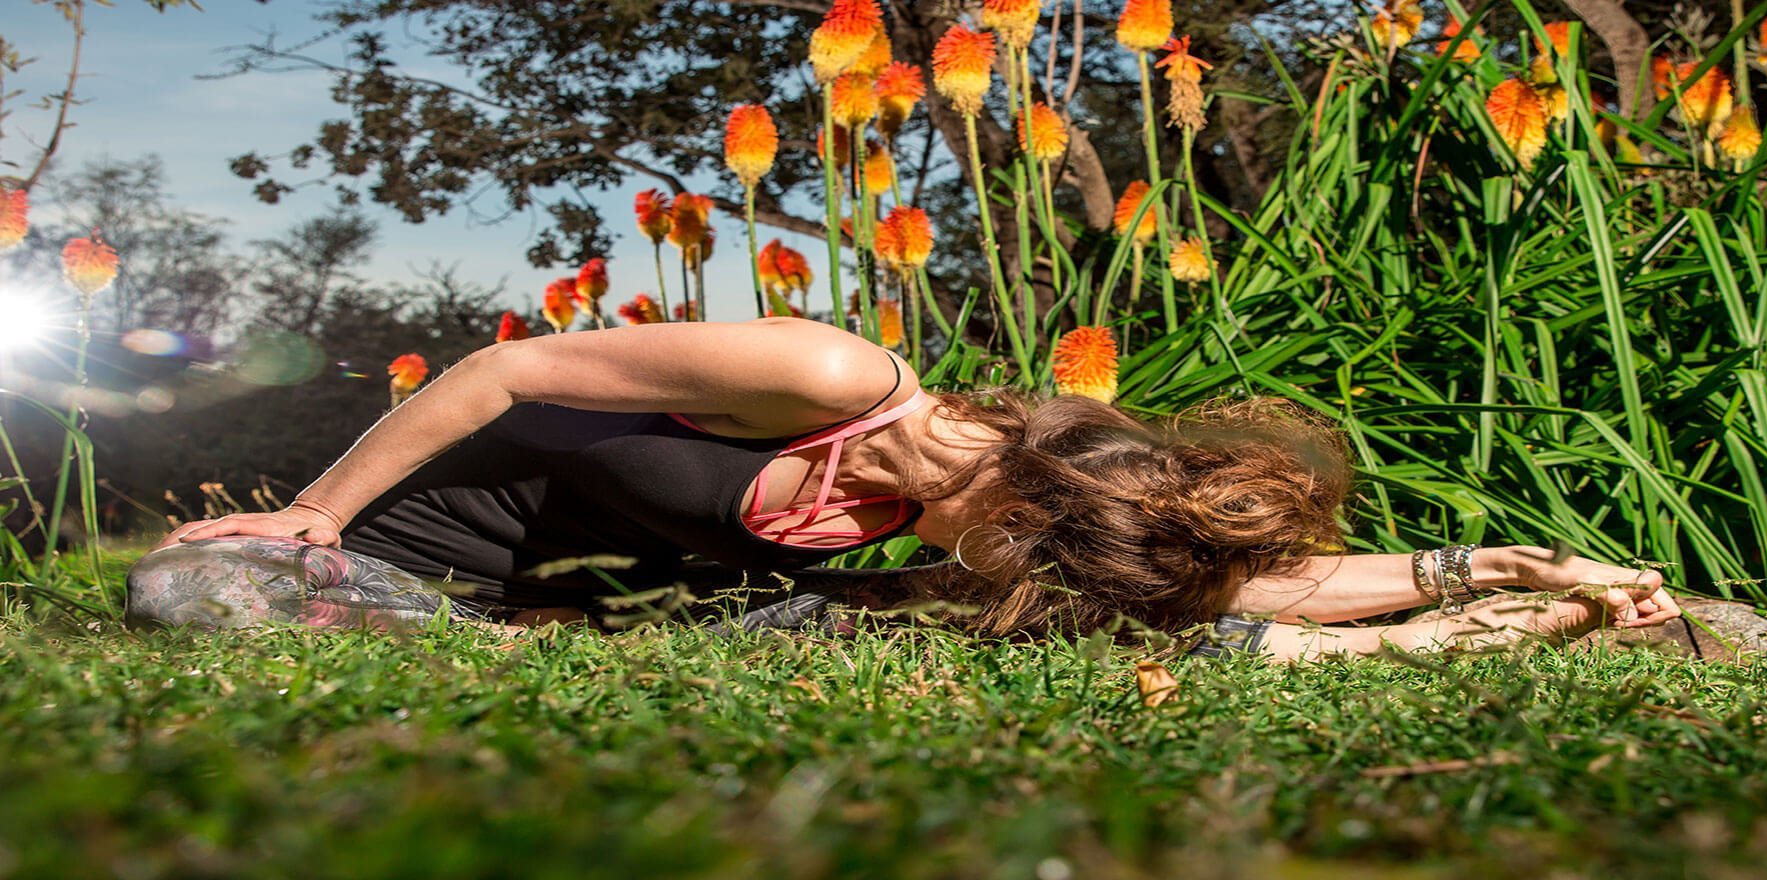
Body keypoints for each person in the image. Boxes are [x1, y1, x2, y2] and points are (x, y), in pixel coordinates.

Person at [126, 318, 1678, 661]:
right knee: (194, 596)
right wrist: (316, 512)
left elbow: (1238, 569)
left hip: (589, 622)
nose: (1021, 576)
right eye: (1032, 560)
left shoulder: (1019, 513)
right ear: (1013, 498)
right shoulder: (827, 376)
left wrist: (1509, 561)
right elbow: (508, 369)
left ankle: (1426, 646)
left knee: (1149, 628)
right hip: (395, 564)